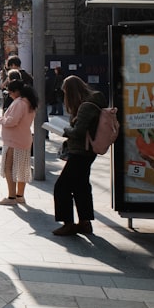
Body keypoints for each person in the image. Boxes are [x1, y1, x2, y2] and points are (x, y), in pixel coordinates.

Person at [53, 75, 107, 236]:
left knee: (61, 187)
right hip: (87, 152)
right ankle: (85, 222)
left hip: (81, 152)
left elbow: (78, 132)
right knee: (81, 186)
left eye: (65, 93)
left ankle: (68, 223)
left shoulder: (86, 107)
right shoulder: (93, 101)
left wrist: (65, 130)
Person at [0, 78, 39, 205]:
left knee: (9, 168)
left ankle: (11, 197)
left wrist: (1, 120)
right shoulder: (29, 102)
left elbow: (12, 121)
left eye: (10, 92)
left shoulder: (19, 103)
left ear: (16, 91)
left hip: (13, 140)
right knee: (22, 169)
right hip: (24, 139)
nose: (9, 95)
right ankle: (20, 196)